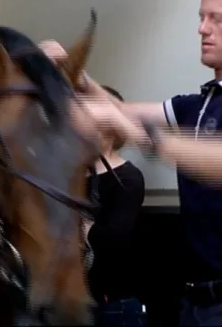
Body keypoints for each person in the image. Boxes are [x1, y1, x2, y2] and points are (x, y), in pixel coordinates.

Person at [40, 0, 222, 326]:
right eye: (201, 17)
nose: (202, 29)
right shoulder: (199, 104)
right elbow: (117, 111)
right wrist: (74, 75)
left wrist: (139, 135)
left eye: (218, 18)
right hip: (199, 305)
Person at [84, 85, 146, 327]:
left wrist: (81, 226)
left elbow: (113, 239)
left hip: (112, 304)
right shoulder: (69, 175)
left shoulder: (128, 178)